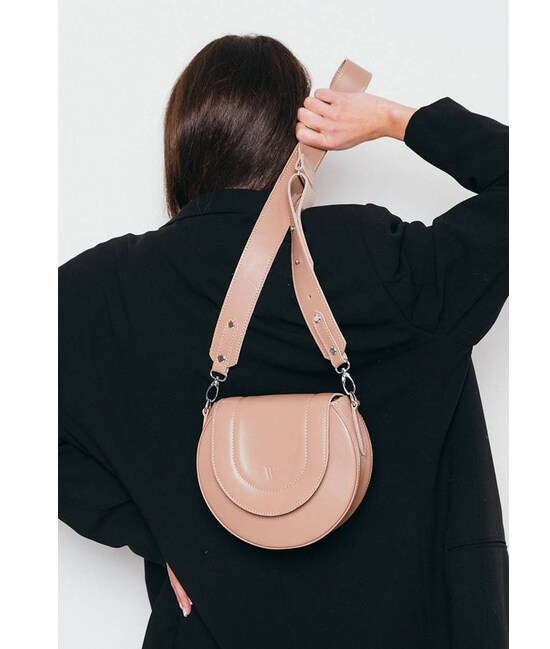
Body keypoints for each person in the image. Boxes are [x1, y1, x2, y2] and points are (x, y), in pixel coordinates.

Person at [59, 34, 508, 649]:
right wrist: (396, 121)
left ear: (180, 143)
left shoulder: (98, 292)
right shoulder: (379, 260)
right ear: (300, 139)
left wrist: (155, 532)